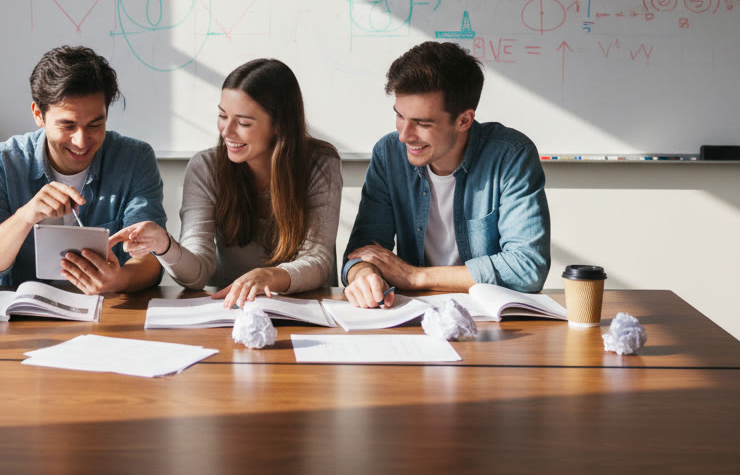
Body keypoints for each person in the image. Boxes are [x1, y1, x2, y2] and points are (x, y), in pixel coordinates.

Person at [111, 59, 342, 308]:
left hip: (306, 308)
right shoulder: (205, 168)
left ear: (278, 124)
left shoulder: (320, 164)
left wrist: (269, 276)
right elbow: (197, 274)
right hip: (229, 309)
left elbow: (318, 261)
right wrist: (165, 245)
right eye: (222, 116)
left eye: (243, 123)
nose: (226, 131)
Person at [342, 41, 550, 309]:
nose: (404, 135)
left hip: (489, 320)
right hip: (412, 314)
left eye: (422, 123)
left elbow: (528, 267)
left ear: (464, 120)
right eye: (400, 116)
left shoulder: (510, 156)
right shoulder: (388, 154)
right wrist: (364, 275)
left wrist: (414, 276)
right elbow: (361, 252)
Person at [0, 46, 166, 293]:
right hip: (24, 311)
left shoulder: (134, 159)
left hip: (108, 308)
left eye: (95, 125)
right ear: (38, 114)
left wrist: (119, 280)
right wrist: (25, 216)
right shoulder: (1, 163)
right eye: (67, 126)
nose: (81, 141)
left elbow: (151, 257)